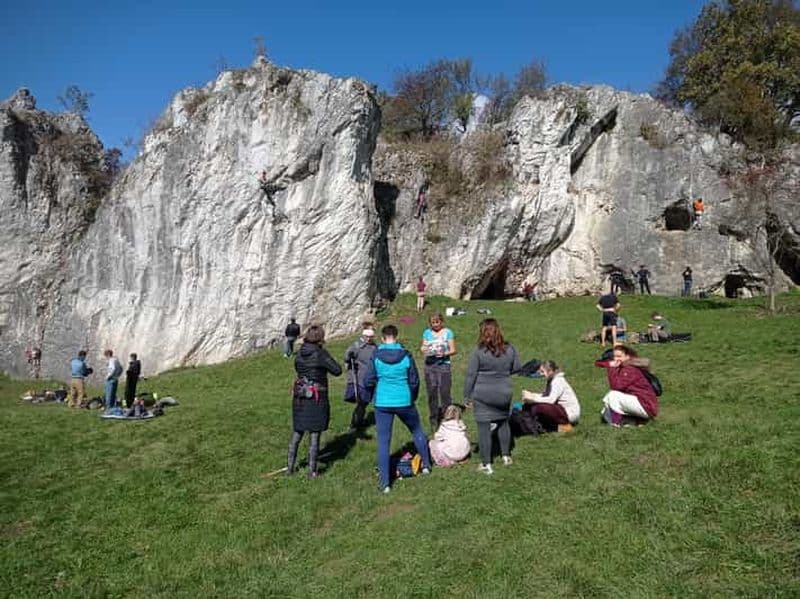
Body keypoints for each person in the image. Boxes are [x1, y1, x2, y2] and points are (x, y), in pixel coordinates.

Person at [363, 324, 431, 493]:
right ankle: (427, 466)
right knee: (417, 431)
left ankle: (385, 483)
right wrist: (412, 397)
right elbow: (414, 380)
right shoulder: (406, 355)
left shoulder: (376, 355)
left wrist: (374, 389)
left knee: (383, 442)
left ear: (382, 338)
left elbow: (367, 380)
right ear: (397, 336)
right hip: (404, 400)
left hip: (383, 403)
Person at [463, 318, 522, 474]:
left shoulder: (478, 351)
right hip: (504, 392)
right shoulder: (510, 349)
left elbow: (471, 375)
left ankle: (486, 464)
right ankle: (506, 456)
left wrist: (466, 396)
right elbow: (517, 367)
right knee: (503, 423)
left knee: (484, 429)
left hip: (483, 394)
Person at [287, 325, 342, 478]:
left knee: (297, 431)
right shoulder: (320, 354)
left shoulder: (299, 354)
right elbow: (337, 370)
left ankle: (290, 468)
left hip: (300, 395)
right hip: (316, 396)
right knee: (314, 434)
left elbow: (298, 369)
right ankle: (312, 471)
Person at [597, 345, 659, 426]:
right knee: (605, 411)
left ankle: (617, 423)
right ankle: (632, 421)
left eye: (619, 356)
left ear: (627, 356)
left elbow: (616, 386)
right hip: (640, 403)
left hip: (645, 405)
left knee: (612, 396)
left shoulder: (629, 369)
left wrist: (611, 368)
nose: (616, 359)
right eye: (614, 357)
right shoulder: (624, 367)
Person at [520, 360, 581, 433]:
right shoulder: (551, 380)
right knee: (529, 406)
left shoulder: (558, 381)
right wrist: (531, 395)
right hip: (560, 409)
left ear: (551, 371)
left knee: (539, 408)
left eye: (543, 372)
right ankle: (531, 422)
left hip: (569, 413)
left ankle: (559, 427)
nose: (541, 374)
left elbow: (551, 400)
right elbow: (546, 395)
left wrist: (534, 399)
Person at [421, 312, 456, 431]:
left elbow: (453, 350)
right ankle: (434, 419)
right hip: (430, 366)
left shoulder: (448, 332)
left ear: (442, 322)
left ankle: (448, 419)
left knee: (445, 393)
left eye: (437, 322)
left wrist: (444, 353)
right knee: (432, 393)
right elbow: (424, 347)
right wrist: (425, 349)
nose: (435, 325)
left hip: (444, 365)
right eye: (433, 323)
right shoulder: (426, 333)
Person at [344, 323, 378, 433]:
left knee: (365, 403)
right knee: (361, 403)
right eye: (367, 336)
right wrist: (349, 357)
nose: (369, 338)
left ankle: (359, 421)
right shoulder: (357, 346)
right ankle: (354, 425)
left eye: (371, 336)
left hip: (371, 379)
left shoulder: (375, 347)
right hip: (360, 379)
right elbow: (347, 357)